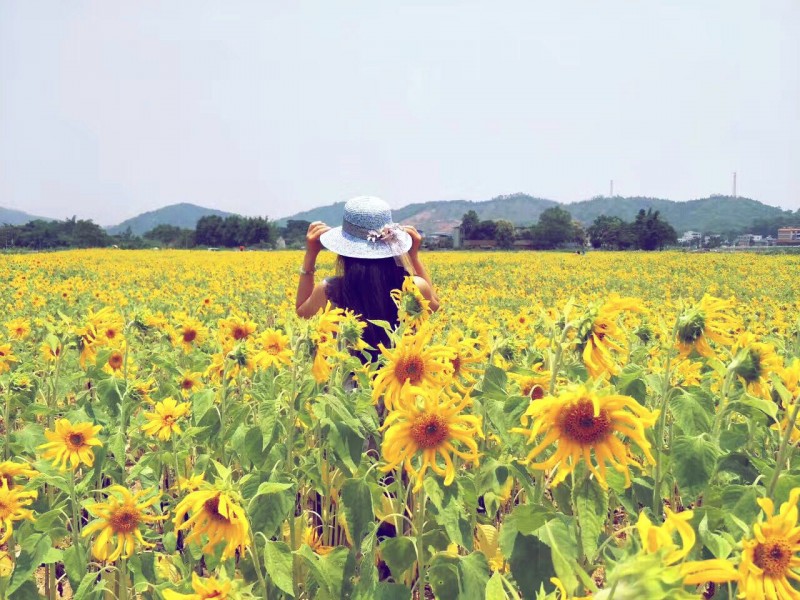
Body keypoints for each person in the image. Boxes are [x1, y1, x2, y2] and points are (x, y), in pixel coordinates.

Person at [295, 196, 439, 353]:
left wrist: (311, 254)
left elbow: (302, 313)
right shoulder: (414, 288)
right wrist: (413, 256)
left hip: (348, 375)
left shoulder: (330, 291)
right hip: (404, 376)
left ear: (344, 250)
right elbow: (434, 305)